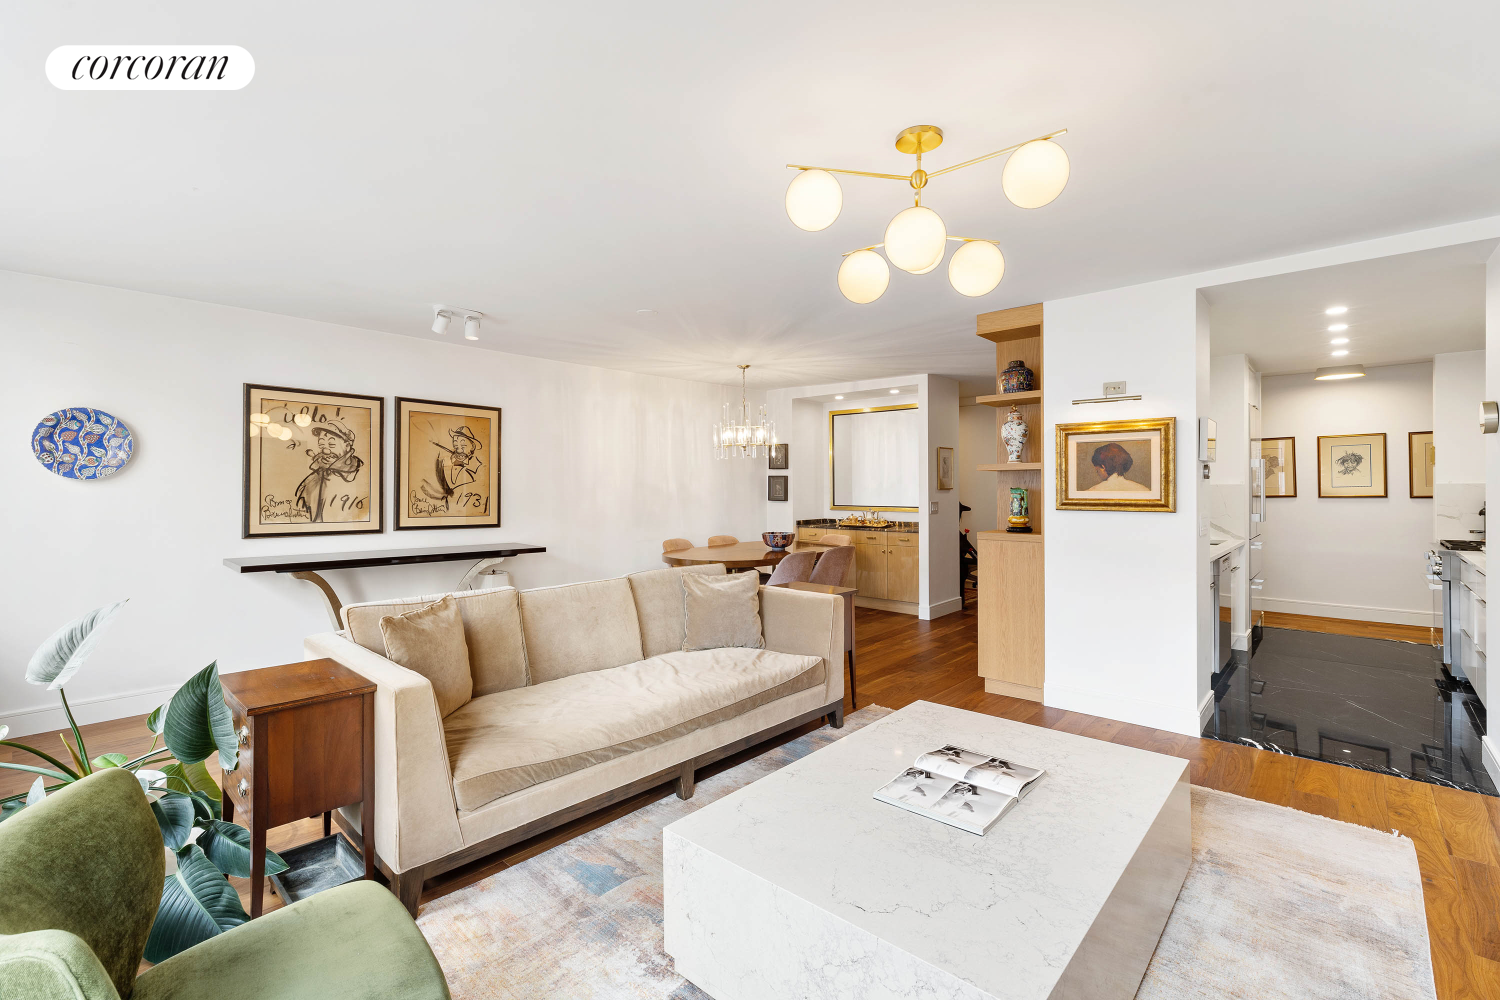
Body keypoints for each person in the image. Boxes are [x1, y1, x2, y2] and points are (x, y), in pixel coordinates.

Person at [295, 417, 363, 521]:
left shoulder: (360, 479)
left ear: (348, 446)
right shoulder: (311, 480)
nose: (326, 450)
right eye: (321, 445)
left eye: (332, 444)